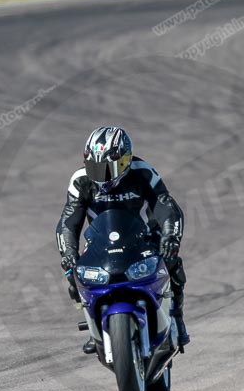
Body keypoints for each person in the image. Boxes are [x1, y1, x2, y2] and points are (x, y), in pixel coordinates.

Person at [56, 126, 189, 354]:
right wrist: (68, 251)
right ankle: (93, 327)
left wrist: (170, 236)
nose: (102, 175)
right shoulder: (80, 181)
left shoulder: (142, 172)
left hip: (144, 234)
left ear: (125, 161)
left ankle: (176, 317)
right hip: (102, 240)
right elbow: (69, 220)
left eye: (109, 168)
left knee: (172, 261)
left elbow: (165, 205)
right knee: (73, 271)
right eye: (95, 168)